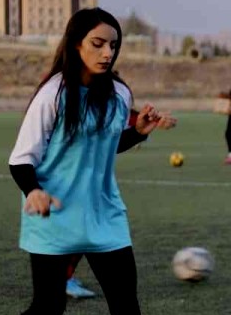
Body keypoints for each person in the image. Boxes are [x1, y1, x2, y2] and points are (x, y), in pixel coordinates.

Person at [0, 7, 175, 315]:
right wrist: (33, 190)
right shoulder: (53, 93)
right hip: (53, 213)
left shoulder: (120, 95)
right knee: (48, 306)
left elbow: (110, 144)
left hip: (105, 216)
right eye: (98, 43)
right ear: (76, 43)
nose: (107, 52)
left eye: (113, 44)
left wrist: (140, 133)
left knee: (127, 310)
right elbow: (21, 160)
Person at [65, 107, 176, 300]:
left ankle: (61, 277)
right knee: (84, 226)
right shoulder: (68, 93)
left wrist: (143, 127)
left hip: (87, 176)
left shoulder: (111, 94)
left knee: (87, 226)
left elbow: (111, 137)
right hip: (68, 173)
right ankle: (60, 279)